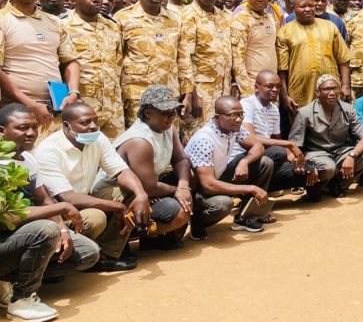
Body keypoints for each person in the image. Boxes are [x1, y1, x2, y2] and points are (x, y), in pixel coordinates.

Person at [0, 103, 99, 322]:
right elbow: (9, 216)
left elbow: (44, 199)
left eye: (34, 127)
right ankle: (22, 298)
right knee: (45, 229)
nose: (31, 132)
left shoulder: (28, 159)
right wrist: (61, 209)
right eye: (22, 127)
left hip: (22, 236)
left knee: (87, 253)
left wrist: (62, 230)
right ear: (1, 131)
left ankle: (11, 280)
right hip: (6, 237)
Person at [103, 86, 223, 249]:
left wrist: (183, 186)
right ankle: (127, 235)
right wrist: (177, 191)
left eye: (174, 111)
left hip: (146, 187)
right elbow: (149, 188)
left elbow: (181, 159)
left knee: (191, 177)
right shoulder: (140, 141)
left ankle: (155, 237)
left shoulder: (167, 128)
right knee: (176, 210)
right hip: (120, 193)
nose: (172, 116)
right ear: (148, 113)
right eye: (166, 112)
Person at [35, 102, 150, 271]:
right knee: (96, 218)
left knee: (130, 192)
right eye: (85, 122)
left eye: (95, 120)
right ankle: (69, 259)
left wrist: (141, 194)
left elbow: (121, 171)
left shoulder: (97, 137)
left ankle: (107, 255)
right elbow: (68, 198)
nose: (93, 126)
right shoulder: (48, 150)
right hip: (58, 212)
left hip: (85, 197)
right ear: (66, 125)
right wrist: (118, 207)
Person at [0, 0, 80, 136]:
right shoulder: (2, 19)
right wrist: (31, 104)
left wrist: (73, 92)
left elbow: (70, 60)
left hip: (56, 109)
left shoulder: (54, 21)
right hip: (17, 113)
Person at [183, 96, 273, 234]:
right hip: (198, 190)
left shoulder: (232, 128)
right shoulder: (204, 140)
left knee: (264, 163)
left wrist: (244, 162)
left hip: (217, 177)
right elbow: (208, 185)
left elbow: (258, 146)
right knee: (223, 204)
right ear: (218, 117)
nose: (239, 119)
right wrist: (251, 188)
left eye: (241, 114)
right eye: (233, 115)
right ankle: (197, 222)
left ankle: (246, 217)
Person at [117, 0, 187, 126]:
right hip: (138, 93)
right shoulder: (123, 18)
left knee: (169, 134)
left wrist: (187, 91)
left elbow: (183, 58)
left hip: (168, 92)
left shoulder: (174, 19)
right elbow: (116, 58)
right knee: (140, 134)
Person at [288, 75, 363, 200]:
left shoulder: (348, 109)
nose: (332, 93)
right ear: (317, 92)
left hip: (340, 152)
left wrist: (352, 156)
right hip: (316, 154)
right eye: (327, 89)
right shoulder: (304, 113)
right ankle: (315, 187)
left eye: (335, 88)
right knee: (328, 167)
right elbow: (293, 145)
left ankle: (339, 185)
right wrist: (305, 165)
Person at [240, 72, 317, 205]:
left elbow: (277, 139)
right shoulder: (246, 105)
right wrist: (289, 144)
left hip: (264, 159)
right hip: (244, 159)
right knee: (277, 152)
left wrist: (297, 160)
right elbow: (250, 138)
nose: (275, 90)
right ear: (256, 87)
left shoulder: (274, 109)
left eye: (278, 86)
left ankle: (260, 193)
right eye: (270, 86)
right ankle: (251, 203)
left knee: (306, 170)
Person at [62, 0, 124, 139]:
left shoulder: (112, 26)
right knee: (80, 151)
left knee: (113, 152)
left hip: (112, 108)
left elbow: (118, 64)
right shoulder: (62, 25)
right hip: (80, 108)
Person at [179, 0, 234, 142]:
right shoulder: (187, 16)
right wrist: (192, 94)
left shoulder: (224, 16)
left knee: (220, 136)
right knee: (198, 136)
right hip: (201, 92)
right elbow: (185, 58)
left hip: (223, 89)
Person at [277, 0, 351, 110]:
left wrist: (345, 85)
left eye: (311, 5)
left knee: (333, 119)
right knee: (302, 120)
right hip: (299, 91)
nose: (308, 9)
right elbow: (282, 69)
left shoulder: (330, 27)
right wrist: (284, 95)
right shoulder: (284, 32)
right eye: (302, 6)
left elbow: (343, 59)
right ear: (293, 8)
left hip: (330, 90)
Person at [230, 0, 279, 98]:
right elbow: (237, 61)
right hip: (253, 86)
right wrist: (247, 93)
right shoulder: (241, 21)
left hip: (272, 84)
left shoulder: (270, 17)